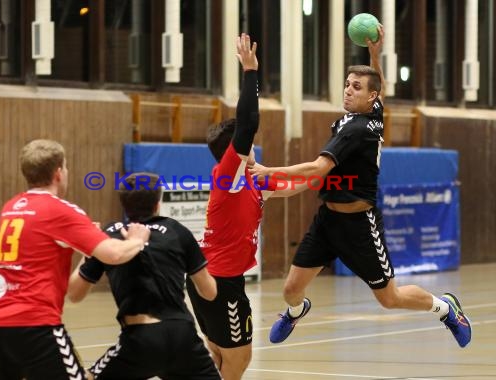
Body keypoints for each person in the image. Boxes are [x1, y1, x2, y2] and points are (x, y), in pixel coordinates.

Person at [250, 25, 472, 349]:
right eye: (347, 84)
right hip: (327, 221)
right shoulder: (369, 113)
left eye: (356, 87)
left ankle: (446, 308)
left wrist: (269, 170)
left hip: (359, 226)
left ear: (367, 96)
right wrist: (375, 54)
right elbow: (376, 91)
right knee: (290, 290)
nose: (348, 90)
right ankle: (297, 311)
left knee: (390, 299)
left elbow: (317, 167)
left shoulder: (357, 130)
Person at [185, 33, 309, 380]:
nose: (252, 145)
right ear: (234, 152)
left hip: (208, 278)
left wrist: (328, 167)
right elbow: (248, 123)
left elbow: (295, 186)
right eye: (246, 144)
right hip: (221, 283)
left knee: (221, 360)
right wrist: (250, 72)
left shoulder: (252, 182)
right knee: (238, 362)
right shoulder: (229, 174)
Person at [0, 139, 151, 380]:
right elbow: (114, 253)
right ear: (58, 173)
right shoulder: (60, 210)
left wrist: (84, 244)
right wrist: (137, 239)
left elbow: (42, 249)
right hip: (35, 326)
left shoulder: (12, 206)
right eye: (66, 167)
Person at [67, 172, 221, 380]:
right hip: (182, 334)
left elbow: (74, 295)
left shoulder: (110, 234)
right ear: (157, 204)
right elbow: (210, 293)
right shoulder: (177, 230)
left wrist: (89, 248)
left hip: (142, 338)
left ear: (124, 206)